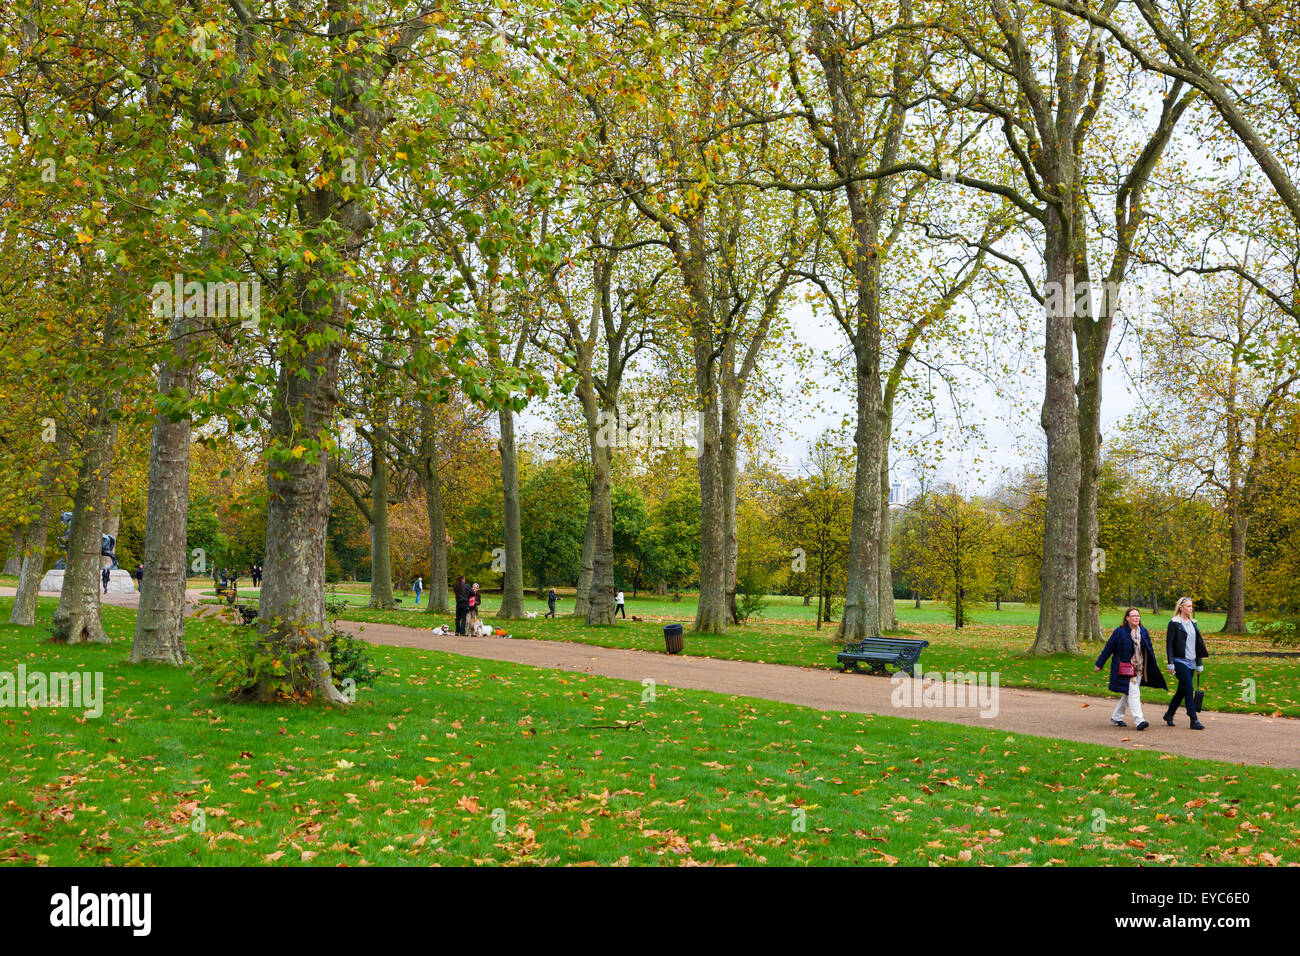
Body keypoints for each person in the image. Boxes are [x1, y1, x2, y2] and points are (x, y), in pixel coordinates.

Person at [1095, 607, 1167, 730]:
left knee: (1129, 694)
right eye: (1133, 616)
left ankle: (1116, 717)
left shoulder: (1143, 632)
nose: (1136, 618)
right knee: (1134, 692)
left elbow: (1149, 650)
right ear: (1127, 618)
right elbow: (1108, 648)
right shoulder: (1120, 632)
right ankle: (1139, 720)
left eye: (1138, 616)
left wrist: (1152, 666)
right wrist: (1099, 664)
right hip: (1125, 668)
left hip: (1139, 668)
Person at [1164, 596, 1208, 730]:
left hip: (1191, 662)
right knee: (1189, 688)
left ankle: (1169, 714)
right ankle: (1193, 718)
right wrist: (1170, 662)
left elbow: (1197, 645)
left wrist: (1199, 663)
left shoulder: (1193, 623)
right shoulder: (1174, 623)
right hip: (1179, 661)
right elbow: (1170, 644)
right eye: (1188, 606)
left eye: (1191, 606)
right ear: (1181, 608)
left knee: (1182, 691)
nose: (1191, 608)